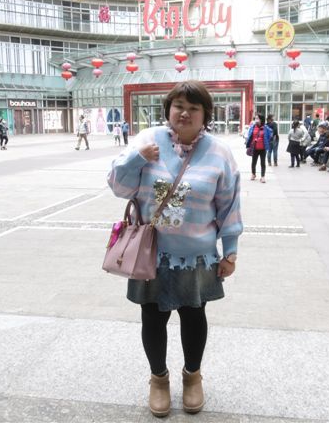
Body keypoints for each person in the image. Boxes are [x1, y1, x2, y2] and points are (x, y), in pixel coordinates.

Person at [107, 80, 242, 417]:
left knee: (194, 316)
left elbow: (229, 204)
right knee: (152, 317)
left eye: (194, 108)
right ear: (168, 109)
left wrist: (230, 250)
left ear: (206, 115)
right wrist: (137, 158)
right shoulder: (147, 140)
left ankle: (192, 377)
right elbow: (118, 187)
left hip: (197, 255)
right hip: (151, 254)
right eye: (179, 106)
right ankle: (159, 380)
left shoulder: (219, 152)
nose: (185, 113)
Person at [246, 113, 272, 183]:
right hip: (255, 148)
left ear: (261, 119)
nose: (256, 119)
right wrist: (249, 142)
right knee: (253, 162)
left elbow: (270, 134)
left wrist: (267, 140)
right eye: (255, 118)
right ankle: (253, 174)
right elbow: (249, 135)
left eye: (257, 118)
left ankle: (263, 177)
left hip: (263, 148)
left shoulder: (265, 128)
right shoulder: (253, 127)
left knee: (263, 163)